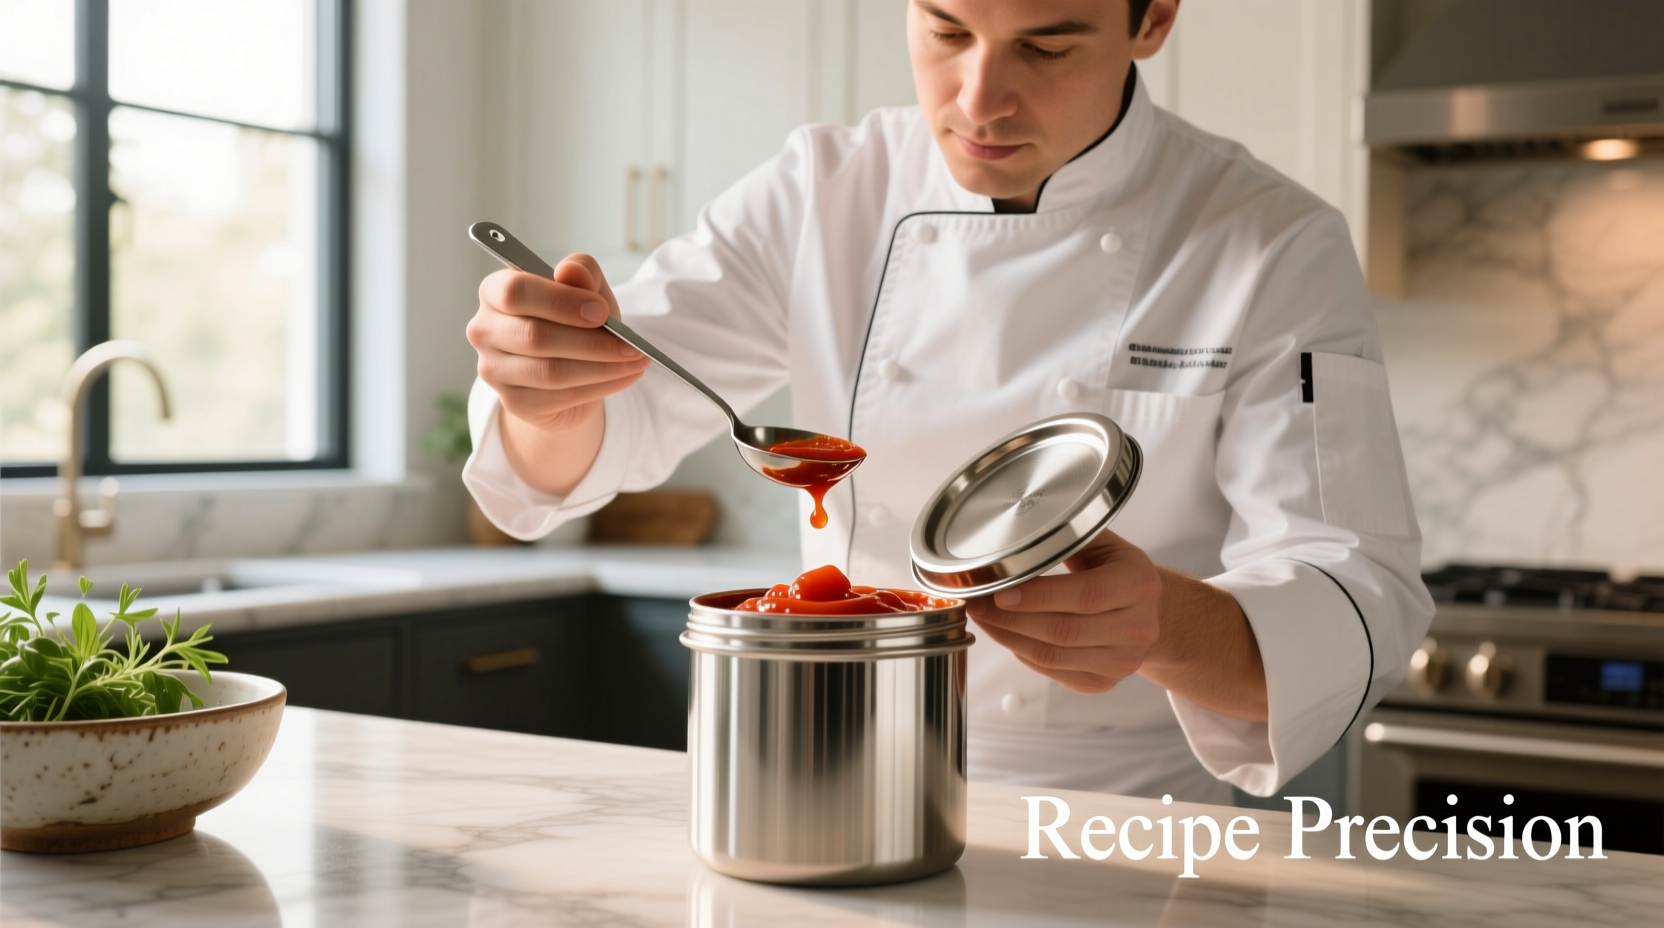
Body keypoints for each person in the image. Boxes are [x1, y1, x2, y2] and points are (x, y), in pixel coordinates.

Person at [463, 0, 1433, 803]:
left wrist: (1161, 623)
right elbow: (584, 447)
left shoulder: (1265, 238)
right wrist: (548, 399)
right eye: (943, 29)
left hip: (1122, 824)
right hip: (832, 786)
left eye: (1045, 44)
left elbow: (1356, 592)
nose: (978, 100)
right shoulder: (824, 191)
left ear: (1154, 19)